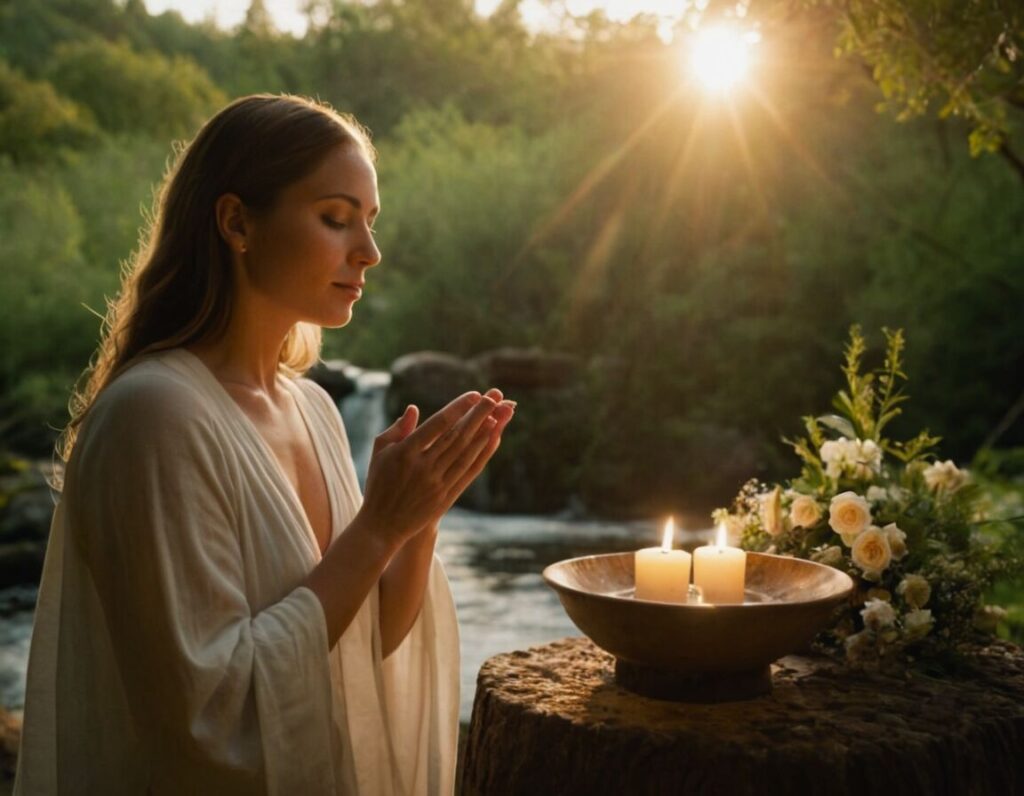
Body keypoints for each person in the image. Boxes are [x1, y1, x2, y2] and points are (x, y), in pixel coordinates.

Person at [14, 93, 514, 795]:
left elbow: (365, 643)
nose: (369, 253)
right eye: (336, 219)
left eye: (370, 223)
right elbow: (208, 718)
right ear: (236, 221)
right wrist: (377, 527)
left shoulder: (313, 408)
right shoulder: (155, 415)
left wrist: (417, 515)